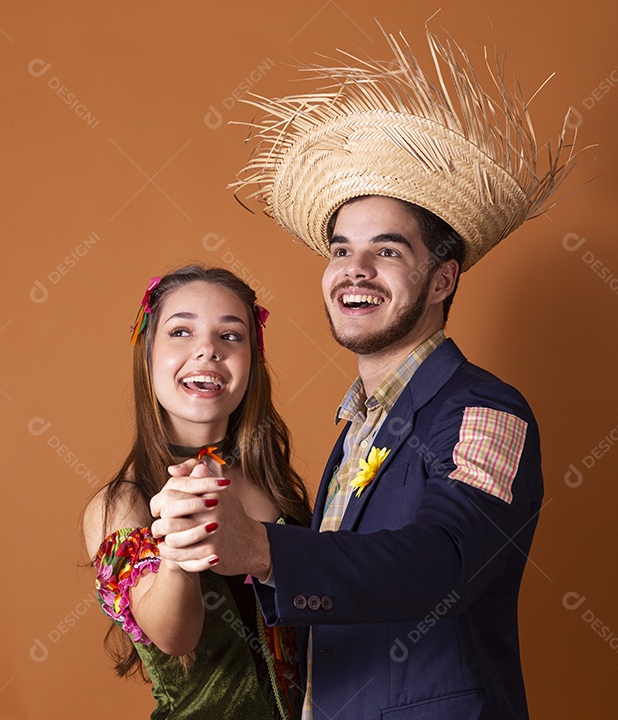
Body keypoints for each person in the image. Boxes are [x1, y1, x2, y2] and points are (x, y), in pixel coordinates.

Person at [149, 27, 582, 720]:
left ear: (442, 279)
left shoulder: (486, 414)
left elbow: (443, 562)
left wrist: (260, 546)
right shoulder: (356, 428)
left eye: (386, 252)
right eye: (341, 249)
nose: (354, 271)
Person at [83, 265, 310, 719]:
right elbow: (174, 637)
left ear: (253, 362)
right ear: (147, 355)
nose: (207, 349)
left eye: (231, 336)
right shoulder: (121, 503)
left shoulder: (275, 485)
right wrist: (177, 548)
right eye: (181, 331)